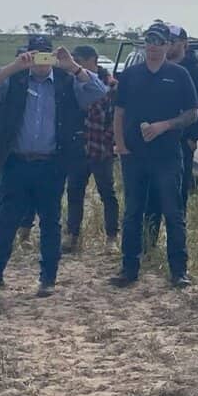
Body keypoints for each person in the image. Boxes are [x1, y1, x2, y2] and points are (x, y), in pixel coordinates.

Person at [0, 37, 111, 296]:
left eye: (46, 55)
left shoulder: (66, 81)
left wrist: (73, 67)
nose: (41, 61)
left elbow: (98, 92)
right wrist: (14, 66)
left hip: (52, 163)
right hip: (15, 162)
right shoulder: (14, 80)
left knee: (50, 223)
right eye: (35, 55)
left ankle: (47, 280)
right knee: (5, 221)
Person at [112, 21, 198, 288]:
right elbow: (119, 112)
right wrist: (120, 145)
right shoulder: (131, 75)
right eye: (149, 40)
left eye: (159, 41)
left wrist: (165, 125)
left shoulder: (180, 74)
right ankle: (129, 269)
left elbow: (192, 113)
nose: (153, 46)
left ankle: (178, 271)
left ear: (167, 46)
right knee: (133, 213)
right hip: (134, 155)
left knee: (173, 213)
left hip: (168, 155)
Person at [65, 45, 119, 253]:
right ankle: (73, 236)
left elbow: (116, 117)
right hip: (78, 145)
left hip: (101, 146)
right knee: (74, 191)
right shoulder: (71, 82)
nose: (76, 64)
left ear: (93, 60)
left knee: (107, 193)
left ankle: (112, 238)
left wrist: (109, 140)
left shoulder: (111, 84)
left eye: (79, 59)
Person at [171, 26, 198, 198]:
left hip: (182, 142)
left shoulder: (194, 71)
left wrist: (192, 137)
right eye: (165, 41)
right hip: (156, 139)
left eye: (172, 42)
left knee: (179, 192)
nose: (168, 45)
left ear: (184, 44)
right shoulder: (157, 68)